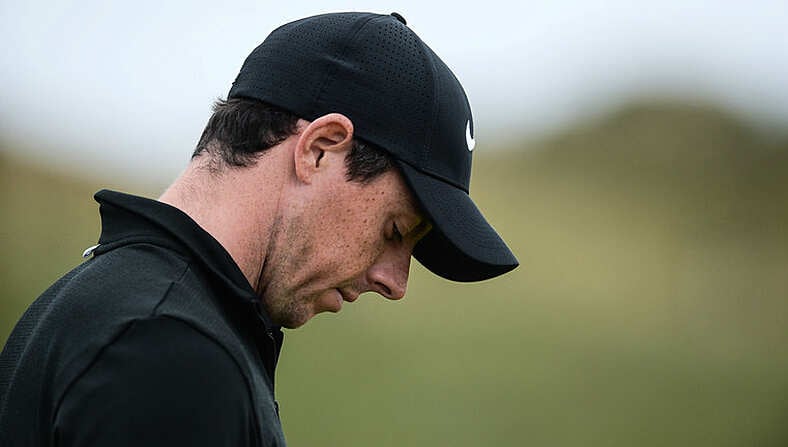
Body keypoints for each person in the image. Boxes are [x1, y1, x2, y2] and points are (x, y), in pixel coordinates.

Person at [0, 11, 518, 446]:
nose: (395, 282)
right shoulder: (169, 353)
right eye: (395, 230)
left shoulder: (111, 310)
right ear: (320, 149)